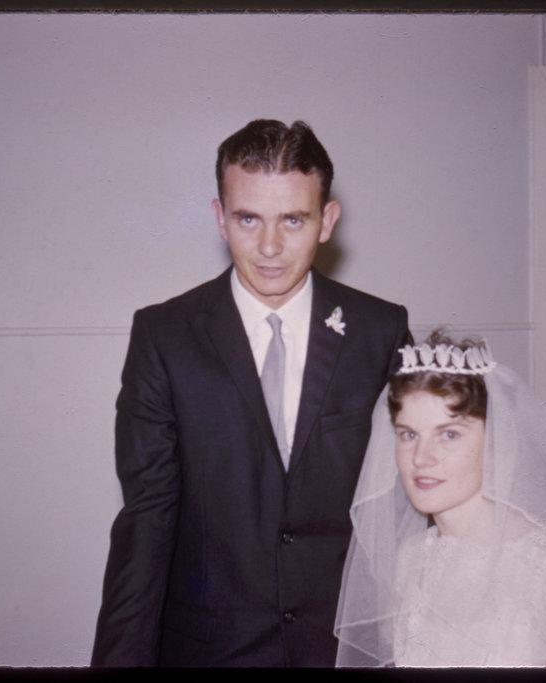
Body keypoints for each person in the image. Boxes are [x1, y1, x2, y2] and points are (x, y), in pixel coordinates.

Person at [91, 119, 411, 666]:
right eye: (247, 219)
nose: (269, 247)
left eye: (293, 219)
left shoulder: (380, 331)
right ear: (219, 218)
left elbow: (411, 509)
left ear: (327, 220)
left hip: (345, 652)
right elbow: (146, 522)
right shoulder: (164, 336)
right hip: (211, 653)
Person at [334, 334, 546, 667]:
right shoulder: (411, 560)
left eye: (450, 434)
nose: (422, 458)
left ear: (497, 442)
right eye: (408, 434)